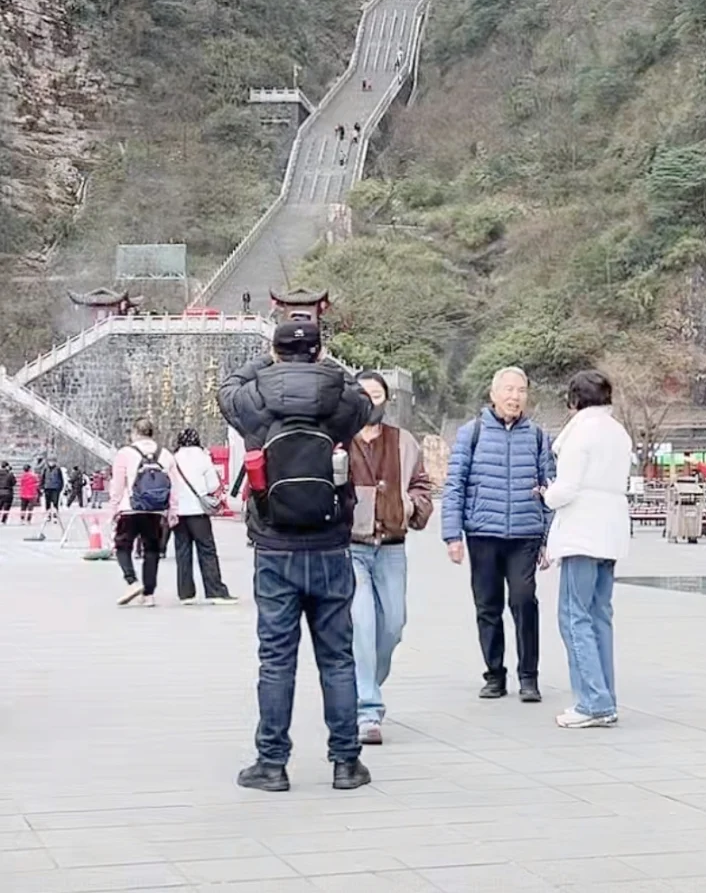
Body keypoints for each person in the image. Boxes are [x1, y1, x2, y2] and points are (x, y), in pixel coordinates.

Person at [219, 319, 374, 793]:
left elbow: (227, 388)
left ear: (274, 350)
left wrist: (264, 362)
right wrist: (330, 367)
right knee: (338, 659)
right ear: (321, 350)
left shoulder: (255, 398)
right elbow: (364, 399)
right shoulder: (339, 400)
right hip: (330, 544)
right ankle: (346, 763)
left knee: (277, 660)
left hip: (274, 543)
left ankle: (271, 763)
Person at [442, 366, 556, 701]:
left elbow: (549, 488)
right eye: (508, 389)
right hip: (483, 533)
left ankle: (528, 676)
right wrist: (452, 535)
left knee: (524, 601)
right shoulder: (471, 433)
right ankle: (494, 674)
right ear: (493, 394)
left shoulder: (537, 436)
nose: (514, 396)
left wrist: (548, 538)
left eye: (520, 390)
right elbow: (455, 485)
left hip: (525, 534)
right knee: (487, 606)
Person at [348, 371, 433, 745]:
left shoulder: (404, 442)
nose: (371, 400)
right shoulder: (338, 440)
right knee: (362, 623)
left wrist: (411, 504)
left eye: (377, 393)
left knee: (393, 625)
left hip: (392, 547)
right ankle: (368, 709)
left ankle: (366, 682)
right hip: (350, 547)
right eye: (363, 393)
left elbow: (421, 484)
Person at [543, 370, 631, 729]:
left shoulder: (580, 433)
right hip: (611, 531)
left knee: (573, 615)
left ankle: (592, 701)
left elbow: (566, 488)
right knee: (599, 615)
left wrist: (547, 494)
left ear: (574, 401)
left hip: (582, 531)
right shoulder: (618, 432)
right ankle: (605, 696)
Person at [107, 418, 177, 607]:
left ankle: (132, 582)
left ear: (135, 433)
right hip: (156, 510)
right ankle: (149, 594)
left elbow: (118, 484)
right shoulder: (166, 455)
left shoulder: (125, 453)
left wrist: (113, 509)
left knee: (122, 546)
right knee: (152, 550)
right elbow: (173, 486)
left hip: (130, 508)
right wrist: (172, 510)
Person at [171, 428, 236, 605]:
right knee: (207, 550)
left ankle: (186, 593)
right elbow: (213, 484)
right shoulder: (203, 457)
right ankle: (214, 590)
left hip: (178, 512)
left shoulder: (173, 459)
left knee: (182, 551)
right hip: (198, 512)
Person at [41, 458, 64, 524]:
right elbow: (42, 478)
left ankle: (55, 516)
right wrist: (42, 487)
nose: (51, 463)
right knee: (47, 503)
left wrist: (60, 487)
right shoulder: (45, 469)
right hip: (47, 487)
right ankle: (48, 515)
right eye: (50, 461)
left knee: (55, 502)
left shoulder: (58, 469)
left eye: (52, 461)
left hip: (55, 488)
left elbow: (61, 479)